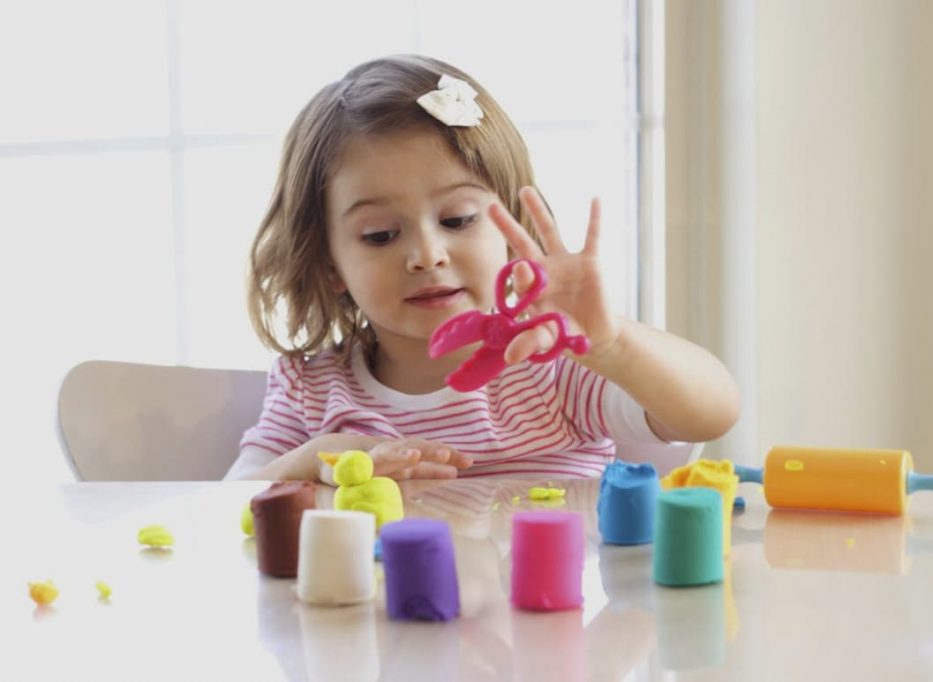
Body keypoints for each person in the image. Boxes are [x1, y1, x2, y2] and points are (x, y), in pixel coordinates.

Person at [224, 54, 739, 484]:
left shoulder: (549, 369)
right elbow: (224, 507)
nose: (427, 254)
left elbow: (711, 412)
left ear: (510, 230)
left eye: (458, 219)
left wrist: (613, 345)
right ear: (328, 261)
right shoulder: (314, 393)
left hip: (546, 607)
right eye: (380, 234)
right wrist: (320, 459)